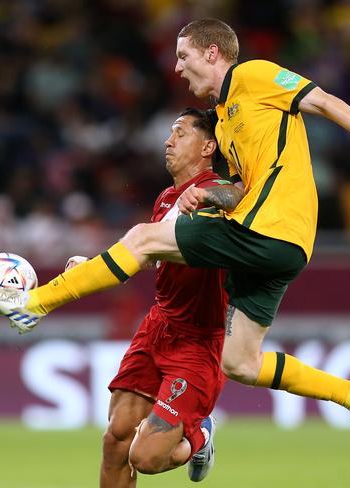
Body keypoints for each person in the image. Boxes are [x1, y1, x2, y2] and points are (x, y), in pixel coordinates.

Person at [0, 19, 350, 458]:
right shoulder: (224, 124)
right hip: (280, 249)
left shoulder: (252, 75)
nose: (178, 67)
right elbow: (240, 188)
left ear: (212, 53)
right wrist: (210, 194)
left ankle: (35, 303)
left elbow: (322, 101)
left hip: (269, 228)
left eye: (184, 56)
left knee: (145, 239)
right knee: (241, 362)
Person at [95, 108, 228, 486]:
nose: (168, 142)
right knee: (115, 438)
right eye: (170, 133)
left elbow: (236, 202)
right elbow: (146, 253)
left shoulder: (219, 195)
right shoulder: (167, 198)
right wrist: (91, 266)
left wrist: (213, 199)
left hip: (199, 342)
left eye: (180, 133)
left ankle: (198, 437)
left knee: (147, 457)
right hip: (158, 326)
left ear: (208, 146)